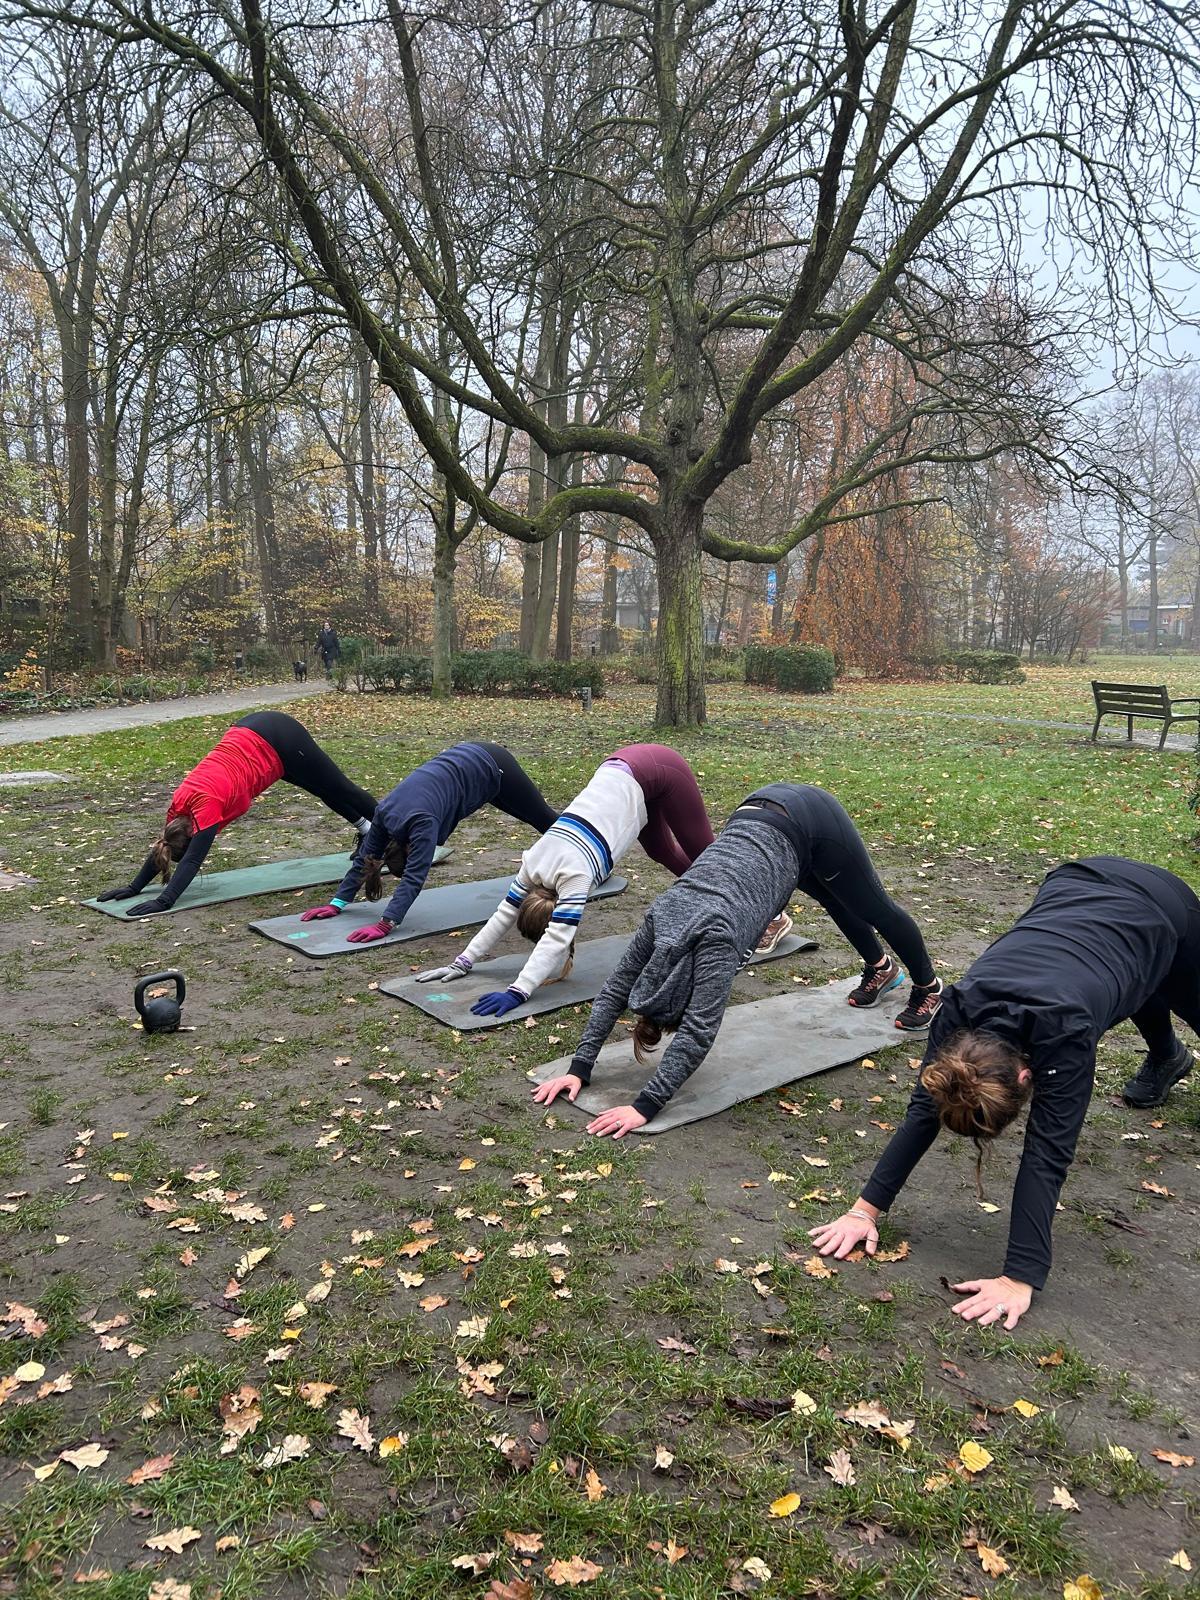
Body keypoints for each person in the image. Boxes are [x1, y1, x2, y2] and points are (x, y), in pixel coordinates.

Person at [808, 855, 1199, 1330]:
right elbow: (922, 1110)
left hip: (1163, 905)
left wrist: (1020, 1276)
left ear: (1023, 1078)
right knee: (1131, 968)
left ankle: (1167, 1055)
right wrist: (863, 1211)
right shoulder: (956, 1010)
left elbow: (1046, 1153)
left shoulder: (1064, 1034)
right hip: (1075, 885)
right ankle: (1168, 1057)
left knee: (1169, 977)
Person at [532, 782, 940, 1136]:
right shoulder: (662, 912)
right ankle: (880, 970)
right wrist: (579, 1067)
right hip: (756, 814)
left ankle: (928, 987)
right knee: (836, 899)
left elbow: (698, 1029)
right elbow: (616, 989)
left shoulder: (716, 941)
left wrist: (646, 1105)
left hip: (811, 819)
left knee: (874, 908)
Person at [413, 743, 774, 1019]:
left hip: (659, 770)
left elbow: (557, 939)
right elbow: (503, 915)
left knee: (709, 857)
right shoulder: (532, 862)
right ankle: (735, 901)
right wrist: (463, 961)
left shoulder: (576, 877)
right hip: (622, 769)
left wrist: (518, 991)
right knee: (663, 851)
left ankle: (767, 914)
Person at [95, 712, 377, 917]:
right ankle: (368, 831)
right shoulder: (178, 809)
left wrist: (165, 900)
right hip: (252, 735)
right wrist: (135, 886)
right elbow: (164, 847)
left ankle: (401, 827)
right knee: (323, 788)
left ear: (194, 834)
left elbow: (193, 860)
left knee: (342, 789)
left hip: (277, 735)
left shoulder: (206, 808)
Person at [301, 741, 557, 944]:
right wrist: (337, 903)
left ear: (408, 847)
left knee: (547, 822)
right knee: (538, 820)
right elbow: (365, 860)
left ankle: (593, 856)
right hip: (469, 767)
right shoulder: (384, 813)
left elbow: (414, 877)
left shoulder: (422, 824)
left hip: (492, 763)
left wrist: (385, 923)